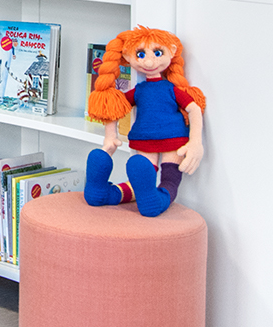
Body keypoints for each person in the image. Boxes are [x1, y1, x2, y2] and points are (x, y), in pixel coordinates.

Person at [84, 26, 206, 217]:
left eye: (157, 53)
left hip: (171, 142)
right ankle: (110, 194)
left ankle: (109, 194)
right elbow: (115, 106)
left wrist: (196, 143)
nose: (149, 61)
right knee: (153, 180)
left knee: (156, 178)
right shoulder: (141, 90)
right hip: (155, 141)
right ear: (128, 56)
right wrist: (110, 136)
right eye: (140, 54)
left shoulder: (169, 89)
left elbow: (194, 109)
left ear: (172, 52)